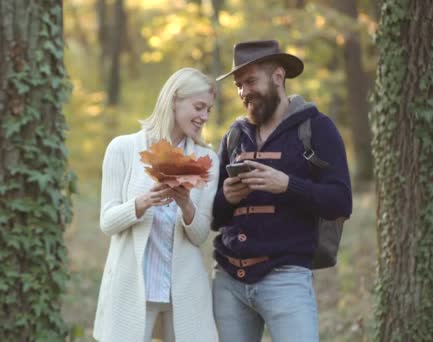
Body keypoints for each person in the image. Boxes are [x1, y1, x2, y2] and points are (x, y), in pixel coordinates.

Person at [211, 40, 353, 341]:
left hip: (285, 279)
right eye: (238, 85)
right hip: (227, 283)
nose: (243, 92)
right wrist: (227, 197)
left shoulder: (317, 127)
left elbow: (341, 202)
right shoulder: (234, 136)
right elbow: (215, 217)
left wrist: (287, 185)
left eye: (250, 81)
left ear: (278, 76)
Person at [93, 68, 220, 342]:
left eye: (208, 109)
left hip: (183, 291)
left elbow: (199, 236)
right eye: (199, 107)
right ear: (174, 99)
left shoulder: (207, 159)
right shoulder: (123, 148)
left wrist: (187, 205)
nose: (204, 117)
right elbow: (107, 222)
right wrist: (141, 203)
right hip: (131, 288)